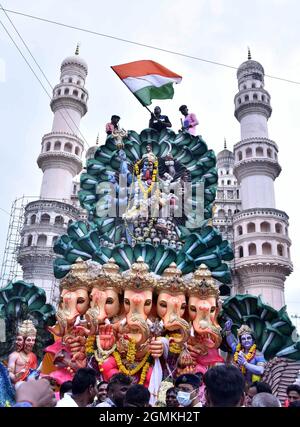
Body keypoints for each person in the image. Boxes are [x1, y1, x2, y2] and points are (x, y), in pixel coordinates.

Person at [7, 320, 38, 384]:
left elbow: (34, 373)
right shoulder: (14, 356)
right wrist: (15, 377)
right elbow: (9, 373)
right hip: (17, 385)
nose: (31, 343)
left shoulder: (33, 356)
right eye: (29, 340)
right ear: (23, 341)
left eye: (33, 340)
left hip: (30, 384)